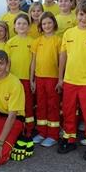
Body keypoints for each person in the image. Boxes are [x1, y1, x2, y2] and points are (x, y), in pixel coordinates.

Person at [56, 0, 86, 161]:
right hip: (70, 81)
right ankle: (69, 139)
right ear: (76, 15)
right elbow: (63, 56)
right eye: (81, 14)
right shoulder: (69, 33)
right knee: (68, 112)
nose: (84, 18)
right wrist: (60, 78)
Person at [30, 12, 61, 147]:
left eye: (49, 23)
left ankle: (53, 134)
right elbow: (33, 62)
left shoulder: (58, 40)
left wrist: (61, 79)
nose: (47, 26)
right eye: (44, 24)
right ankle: (42, 132)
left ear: (54, 23)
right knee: (41, 105)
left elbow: (61, 62)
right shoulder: (37, 41)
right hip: (39, 78)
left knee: (53, 105)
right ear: (40, 26)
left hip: (53, 78)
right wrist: (32, 79)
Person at [5, 13, 35, 138]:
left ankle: (29, 130)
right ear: (14, 27)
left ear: (28, 27)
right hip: (13, 80)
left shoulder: (33, 42)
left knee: (27, 104)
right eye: (19, 23)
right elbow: (7, 62)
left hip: (27, 79)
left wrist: (32, 79)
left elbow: (33, 62)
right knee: (13, 105)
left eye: (24, 23)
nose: (21, 26)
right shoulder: (10, 42)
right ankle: (15, 128)